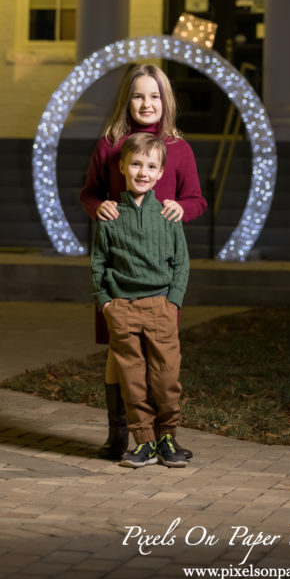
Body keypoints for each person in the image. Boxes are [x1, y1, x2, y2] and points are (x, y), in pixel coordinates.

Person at [80, 63, 206, 460]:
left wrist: (180, 210)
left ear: (165, 101)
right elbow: (89, 193)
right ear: (127, 100)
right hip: (120, 272)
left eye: (154, 96)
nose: (146, 103)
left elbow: (197, 200)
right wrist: (99, 207)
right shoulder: (110, 144)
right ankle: (121, 434)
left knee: (160, 361)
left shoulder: (179, 149)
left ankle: (163, 435)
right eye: (138, 95)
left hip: (158, 277)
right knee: (120, 357)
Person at [90, 132, 191, 468]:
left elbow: (181, 262)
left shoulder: (167, 214)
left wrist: (173, 301)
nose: (142, 171)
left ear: (161, 173)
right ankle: (144, 442)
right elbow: (98, 265)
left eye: (151, 166)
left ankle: (167, 437)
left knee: (165, 377)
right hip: (123, 310)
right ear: (122, 167)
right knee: (132, 380)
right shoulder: (110, 217)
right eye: (135, 164)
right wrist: (107, 303)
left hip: (161, 305)